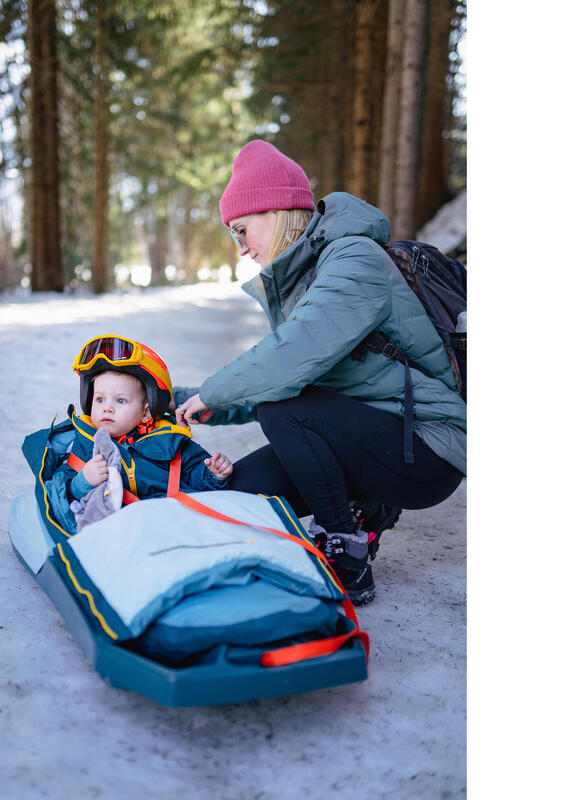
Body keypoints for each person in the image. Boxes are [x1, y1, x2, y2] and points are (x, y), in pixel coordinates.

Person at [174, 140, 466, 605]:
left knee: (281, 406)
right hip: (378, 435)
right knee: (238, 496)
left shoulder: (354, 260)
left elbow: (288, 361)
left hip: (427, 450)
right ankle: (363, 513)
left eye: (242, 230)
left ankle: (345, 549)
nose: (242, 247)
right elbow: (301, 378)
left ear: (277, 210)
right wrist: (184, 400)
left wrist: (212, 393)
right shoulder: (306, 276)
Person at [55, 335, 233, 512]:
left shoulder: (171, 443)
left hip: (168, 523)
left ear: (147, 411)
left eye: (121, 401)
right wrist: (83, 481)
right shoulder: (85, 443)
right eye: (100, 399)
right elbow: (61, 494)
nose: (107, 408)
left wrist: (213, 474)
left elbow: (196, 484)